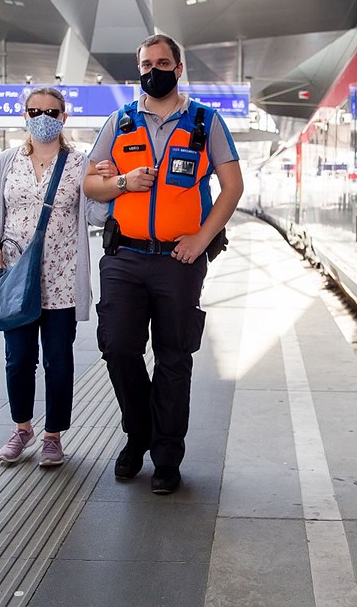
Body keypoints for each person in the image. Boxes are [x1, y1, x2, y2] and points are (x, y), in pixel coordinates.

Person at [84, 33, 244, 495]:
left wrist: (201, 238)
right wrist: (123, 183)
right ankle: (139, 436)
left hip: (179, 260)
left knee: (174, 358)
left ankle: (167, 455)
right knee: (118, 349)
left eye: (161, 62)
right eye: (145, 63)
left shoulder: (205, 122)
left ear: (178, 68)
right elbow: (90, 186)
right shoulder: (120, 122)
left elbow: (232, 187)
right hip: (124, 257)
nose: (152, 69)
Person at [0, 87, 107, 467]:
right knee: (17, 359)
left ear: (64, 117)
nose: (43, 117)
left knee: (58, 360)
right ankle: (22, 428)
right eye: (35, 111)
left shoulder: (80, 163)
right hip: (17, 277)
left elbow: (96, 218)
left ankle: (53, 436)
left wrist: (106, 185)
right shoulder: (5, 162)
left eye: (51, 111)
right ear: (25, 116)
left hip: (63, 281)